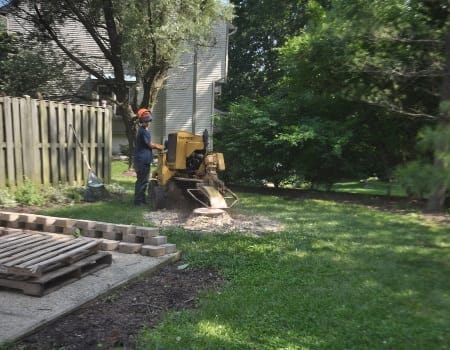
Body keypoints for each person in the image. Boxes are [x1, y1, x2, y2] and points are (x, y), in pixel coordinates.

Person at [133, 108, 164, 206]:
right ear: (142, 121)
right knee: (142, 181)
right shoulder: (143, 131)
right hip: (142, 161)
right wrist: (159, 146)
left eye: (149, 120)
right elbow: (150, 145)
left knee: (142, 181)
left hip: (141, 160)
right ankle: (138, 202)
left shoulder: (142, 130)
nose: (148, 123)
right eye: (146, 121)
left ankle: (140, 200)